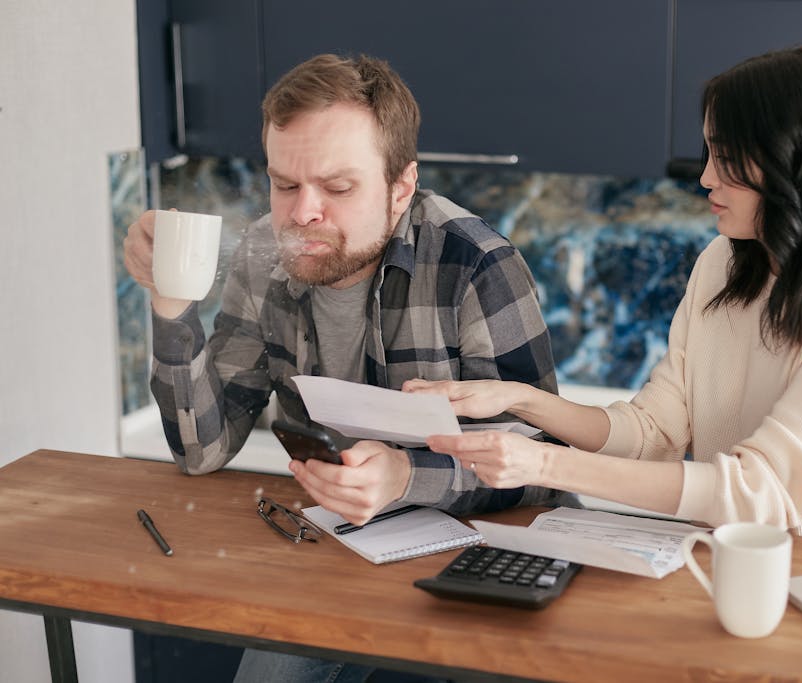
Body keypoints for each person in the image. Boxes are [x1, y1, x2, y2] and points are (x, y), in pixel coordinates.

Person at [124, 53, 571, 682]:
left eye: (337, 189)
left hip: (483, 550)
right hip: (334, 544)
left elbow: (544, 462)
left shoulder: (476, 264)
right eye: (284, 185)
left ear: (402, 188)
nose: (303, 213)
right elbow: (201, 450)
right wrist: (169, 298)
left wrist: (402, 477)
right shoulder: (262, 255)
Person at [407, 46, 802, 546]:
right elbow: (655, 430)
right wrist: (519, 400)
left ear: (795, 160)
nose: (705, 178)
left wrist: (545, 463)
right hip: (722, 558)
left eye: (726, 159)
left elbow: (760, 490)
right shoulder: (724, 262)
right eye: (709, 155)